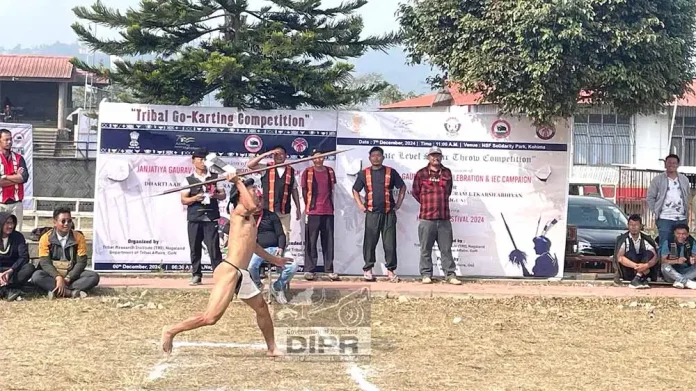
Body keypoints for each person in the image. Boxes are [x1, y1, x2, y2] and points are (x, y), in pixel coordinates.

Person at [161, 172, 294, 356]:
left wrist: (275, 260)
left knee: (262, 308)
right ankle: (170, 331)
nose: (257, 192)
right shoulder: (239, 211)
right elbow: (250, 204)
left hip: (242, 273)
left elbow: (253, 245)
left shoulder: (251, 218)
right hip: (230, 271)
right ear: (241, 195)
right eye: (252, 189)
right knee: (210, 317)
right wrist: (237, 181)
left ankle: (272, 348)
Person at [352, 146, 406, 282]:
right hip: (372, 213)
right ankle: (368, 270)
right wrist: (359, 204)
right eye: (373, 155)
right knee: (369, 242)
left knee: (389, 243)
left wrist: (398, 203)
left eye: (378, 155)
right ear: (369, 158)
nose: (376, 158)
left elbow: (402, 187)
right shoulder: (364, 174)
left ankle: (391, 271)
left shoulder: (390, 172)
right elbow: (355, 190)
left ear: (383, 157)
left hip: (388, 213)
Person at [241, 180, 297, 305]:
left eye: (261, 200)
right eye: (256, 200)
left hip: (276, 248)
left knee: (293, 266)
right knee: (250, 266)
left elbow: (281, 235)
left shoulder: (271, 216)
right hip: (258, 250)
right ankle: (257, 284)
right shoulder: (245, 217)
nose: (259, 203)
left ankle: (277, 287)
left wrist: (281, 248)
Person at [412, 147, 461, 285]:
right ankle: (426, 274)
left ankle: (450, 275)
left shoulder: (447, 172)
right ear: (428, 157)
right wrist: (427, 203)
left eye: (438, 155)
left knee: (446, 249)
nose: (435, 158)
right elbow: (416, 192)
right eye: (433, 155)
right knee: (425, 249)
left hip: (444, 218)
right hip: (427, 218)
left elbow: (448, 191)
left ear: (441, 157)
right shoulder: (421, 173)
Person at [31, 207, 100, 299]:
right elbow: (45, 263)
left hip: (71, 275)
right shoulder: (45, 238)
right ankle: (70, 293)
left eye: (69, 221)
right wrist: (58, 277)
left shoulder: (79, 237)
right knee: (37, 276)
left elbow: (81, 262)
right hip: (52, 275)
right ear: (55, 222)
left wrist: (68, 278)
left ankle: (57, 290)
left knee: (93, 276)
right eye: (63, 221)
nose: (67, 224)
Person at [181, 148, 226, 285]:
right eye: (199, 159)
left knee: (214, 247)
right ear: (193, 161)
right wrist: (195, 198)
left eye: (204, 159)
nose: (202, 162)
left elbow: (223, 195)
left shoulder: (214, 177)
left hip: (210, 217)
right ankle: (196, 274)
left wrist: (215, 195)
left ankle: (218, 274)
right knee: (194, 247)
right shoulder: (188, 180)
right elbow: (184, 200)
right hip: (195, 217)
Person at [247, 146, 301, 242]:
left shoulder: (291, 170)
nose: (279, 156)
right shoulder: (266, 167)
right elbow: (250, 165)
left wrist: (298, 207)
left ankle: (280, 255)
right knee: (267, 237)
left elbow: (294, 190)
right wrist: (266, 153)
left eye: (281, 154)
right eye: (276, 154)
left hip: (284, 211)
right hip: (268, 211)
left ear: (285, 156)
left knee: (284, 238)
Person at [301, 149, 338, 281]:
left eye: (321, 157)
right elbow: (304, 191)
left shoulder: (330, 171)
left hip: (328, 211)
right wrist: (309, 206)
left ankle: (329, 269)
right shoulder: (308, 172)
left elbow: (332, 189)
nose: (318, 160)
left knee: (328, 242)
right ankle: (309, 269)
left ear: (324, 158)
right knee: (311, 242)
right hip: (313, 211)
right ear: (312, 159)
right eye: (315, 158)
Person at [647, 154, 691, 245]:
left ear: (678, 165)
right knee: (664, 244)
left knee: (682, 244)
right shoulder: (657, 180)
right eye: (669, 162)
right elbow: (650, 197)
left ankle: (681, 259)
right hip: (664, 218)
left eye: (674, 163)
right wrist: (655, 211)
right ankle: (663, 259)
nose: (672, 165)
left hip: (681, 218)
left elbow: (688, 196)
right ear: (665, 164)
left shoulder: (684, 179)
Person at [614, 214, 658, 289]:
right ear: (628, 225)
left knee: (649, 253)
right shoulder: (624, 239)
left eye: (636, 225)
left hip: (644, 268)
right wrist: (636, 266)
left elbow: (655, 256)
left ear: (641, 226)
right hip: (629, 270)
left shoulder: (646, 239)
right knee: (630, 253)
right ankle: (639, 277)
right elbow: (620, 258)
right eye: (631, 225)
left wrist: (646, 266)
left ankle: (638, 277)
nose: (633, 227)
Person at [0, 129, 29, 232]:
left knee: (17, 235)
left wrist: (5, 177)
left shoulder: (19, 158)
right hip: (1, 204)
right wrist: (16, 177)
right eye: (6, 139)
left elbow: (24, 178)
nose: (9, 142)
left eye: (10, 139)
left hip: (16, 204)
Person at [0, 212, 32, 301]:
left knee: (29, 267)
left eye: (12, 223)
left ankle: (6, 288)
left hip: (13, 271)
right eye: (7, 223)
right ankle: (9, 290)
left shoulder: (18, 236)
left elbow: (24, 257)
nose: (10, 226)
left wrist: (10, 270)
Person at [660, 223, 696, 289]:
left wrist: (693, 259)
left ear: (688, 234)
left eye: (683, 234)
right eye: (678, 233)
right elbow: (663, 260)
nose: (681, 236)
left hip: (687, 271)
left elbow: (694, 256)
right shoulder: (668, 242)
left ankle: (680, 281)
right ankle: (687, 282)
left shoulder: (691, 242)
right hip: (672, 273)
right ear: (674, 233)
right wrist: (677, 261)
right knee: (664, 267)